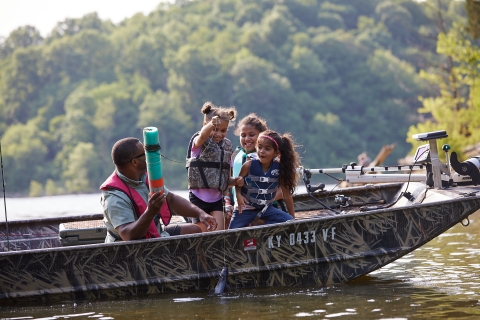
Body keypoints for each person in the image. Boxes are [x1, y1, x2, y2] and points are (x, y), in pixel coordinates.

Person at [101, 137, 217, 243]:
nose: (149, 156)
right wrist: (150, 212)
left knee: (194, 230)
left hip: (154, 234)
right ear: (134, 162)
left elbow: (170, 200)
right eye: (145, 154)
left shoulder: (145, 176)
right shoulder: (114, 197)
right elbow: (128, 235)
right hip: (129, 250)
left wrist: (201, 214)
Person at [186, 102, 243, 231]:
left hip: (217, 200)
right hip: (198, 199)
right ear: (205, 126)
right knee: (201, 231)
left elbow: (227, 180)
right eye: (215, 129)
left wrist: (237, 181)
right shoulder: (199, 144)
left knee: (218, 231)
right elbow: (202, 135)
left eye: (223, 130)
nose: (219, 133)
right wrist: (212, 124)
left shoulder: (226, 148)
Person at [229, 130, 301, 229]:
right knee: (231, 233)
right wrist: (238, 195)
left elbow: (287, 195)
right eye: (259, 147)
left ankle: (262, 230)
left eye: (267, 149)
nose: (262, 151)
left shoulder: (279, 169)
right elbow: (238, 182)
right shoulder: (248, 165)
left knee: (287, 221)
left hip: (266, 209)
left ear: (276, 153)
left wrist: (292, 219)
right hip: (245, 209)